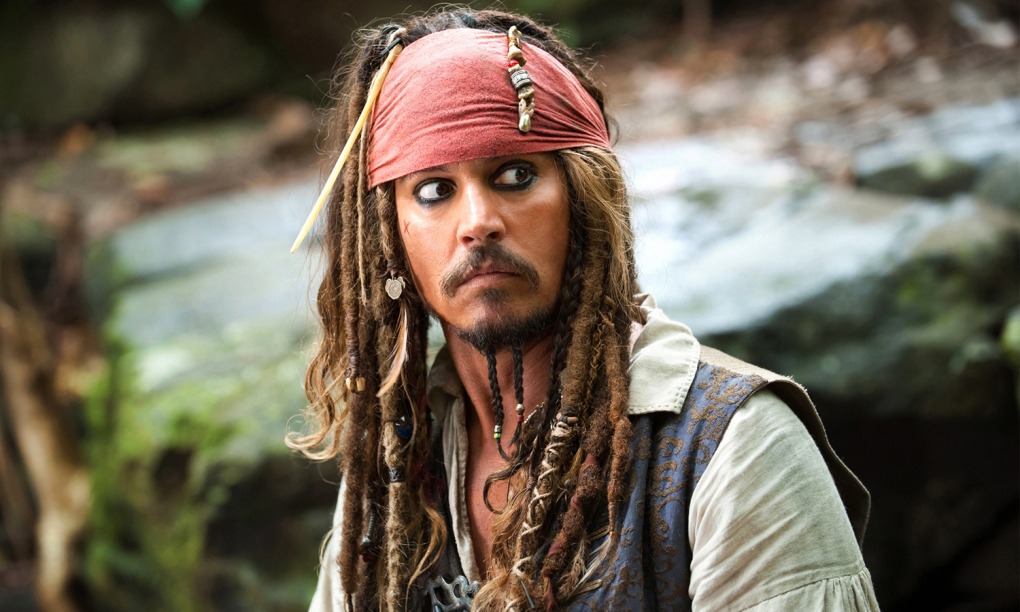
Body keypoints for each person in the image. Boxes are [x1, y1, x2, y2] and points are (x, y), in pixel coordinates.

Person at [288, 7, 879, 611]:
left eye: (515, 175)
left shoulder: (734, 446)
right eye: (434, 190)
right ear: (389, 238)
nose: (478, 223)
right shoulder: (396, 464)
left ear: (585, 199)